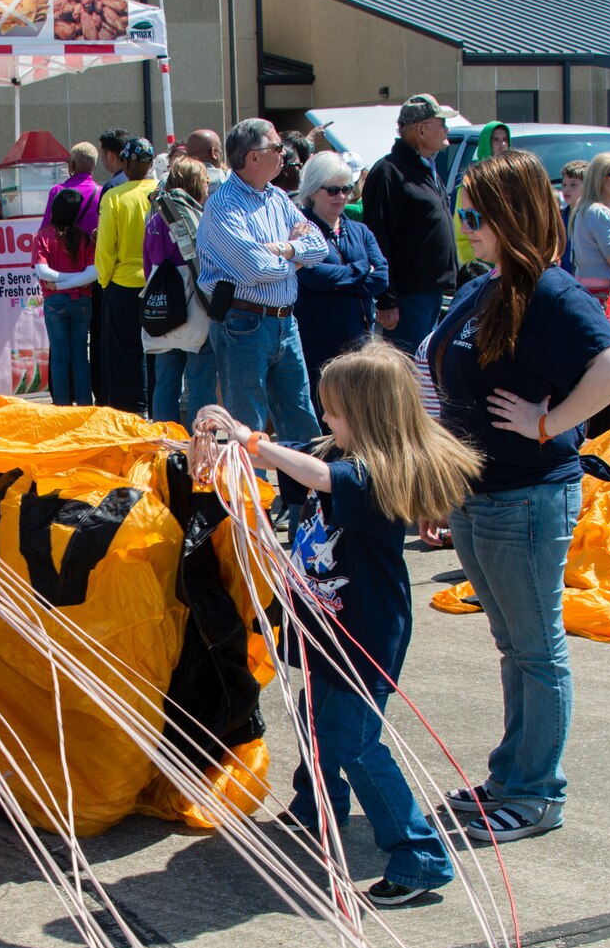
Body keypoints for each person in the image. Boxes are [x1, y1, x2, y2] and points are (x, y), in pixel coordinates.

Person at [195, 342, 478, 906]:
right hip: (327, 625)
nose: (325, 418)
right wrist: (232, 434)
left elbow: (320, 475)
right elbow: (298, 459)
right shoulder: (336, 453)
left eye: (336, 410)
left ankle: (418, 856)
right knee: (313, 716)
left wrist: (255, 442)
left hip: (364, 634)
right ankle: (315, 807)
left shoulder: (376, 473)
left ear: (369, 415)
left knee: (353, 742)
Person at [428, 150, 610, 843]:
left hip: (525, 496)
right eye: (463, 213)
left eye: (477, 214)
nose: (467, 225)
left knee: (536, 649)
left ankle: (537, 792)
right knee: (514, 646)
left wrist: (551, 422)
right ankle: (512, 776)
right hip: (480, 494)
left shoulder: (548, 290)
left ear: (513, 215)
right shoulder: (489, 286)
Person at [198, 119, 328, 446]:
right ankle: (254, 495)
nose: (284, 154)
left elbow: (320, 246)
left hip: (285, 322)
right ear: (253, 157)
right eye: (276, 148)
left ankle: (306, 496)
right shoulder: (223, 206)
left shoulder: (278, 198)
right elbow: (255, 268)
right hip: (242, 323)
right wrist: (296, 257)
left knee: (301, 416)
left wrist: (284, 249)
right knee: (248, 426)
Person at [361, 94, 460, 359]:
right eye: (441, 123)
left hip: (432, 291)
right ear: (421, 128)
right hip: (407, 298)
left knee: (426, 371)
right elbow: (377, 239)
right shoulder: (389, 172)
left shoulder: (427, 168)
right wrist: (386, 300)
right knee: (408, 373)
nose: (446, 130)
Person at [292, 151, 389, 397]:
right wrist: (361, 269)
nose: (342, 197)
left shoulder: (360, 230)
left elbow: (381, 278)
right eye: (333, 190)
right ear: (313, 191)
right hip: (317, 345)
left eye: (346, 189)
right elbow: (313, 276)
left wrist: (337, 280)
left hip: (359, 342)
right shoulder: (300, 229)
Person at [143, 154, 216, 423]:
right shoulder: (197, 217)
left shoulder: (154, 219)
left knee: (165, 384)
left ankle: (167, 447)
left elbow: (147, 265)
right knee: (200, 383)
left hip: (162, 312)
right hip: (197, 308)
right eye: (205, 181)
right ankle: (199, 445)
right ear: (197, 183)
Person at [93, 136, 157, 412]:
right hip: (158, 282)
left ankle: (131, 412)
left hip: (123, 284)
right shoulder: (161, 190)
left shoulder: (113, 197)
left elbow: (106, 247)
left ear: (127, 162)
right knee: (157, 352)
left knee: (124, 354)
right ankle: (156, 407)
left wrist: (104, 280)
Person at [33, 187, 97, 406]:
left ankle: (61, 407)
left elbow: (42, 272)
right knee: (80, 355)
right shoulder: (84, 238)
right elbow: (92, 273)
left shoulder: (43, 236)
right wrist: (75, 281)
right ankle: (85, 405)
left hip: (55, 303)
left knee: (60, 357)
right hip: (82, 302)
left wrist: (59, 285)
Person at [568, 151, 610, 325]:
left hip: (591, 286)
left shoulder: (584, 209)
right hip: (604, 289)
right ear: (599, 178)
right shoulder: (599, 213)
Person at [49, 143, 104, 237]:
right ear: (94, 166)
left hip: (64, 250)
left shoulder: (58, 191)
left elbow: (47, 229)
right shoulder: (102, 192)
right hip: (94, 251)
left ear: (72, 164)